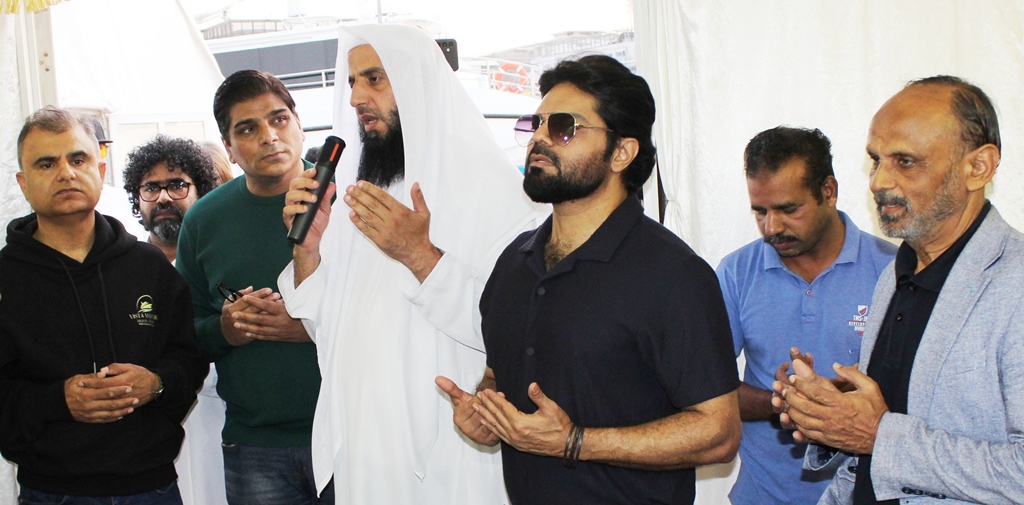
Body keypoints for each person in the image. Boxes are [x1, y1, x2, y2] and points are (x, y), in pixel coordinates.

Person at [441, 55, 741, 505]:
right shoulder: (514, 263)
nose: (539, 138)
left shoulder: (671, 273)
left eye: (564, 127)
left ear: (622, 152)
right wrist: (486, 409)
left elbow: (719, 432)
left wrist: (575, 442)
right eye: (536, 124)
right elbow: (498, 374)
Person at [279, 24, 543, 503]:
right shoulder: (360, 192)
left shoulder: (493, 189)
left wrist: (420, 256)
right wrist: (308, 249)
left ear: (417, 83)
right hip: (365, 447)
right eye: (352, 82)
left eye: (374, 78)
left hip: (452, 451)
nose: (357, 97)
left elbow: (522, 328)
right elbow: (327, 330)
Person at [775, 76, 1024, 504]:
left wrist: (879, 435)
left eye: (905, 162)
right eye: (876, 160)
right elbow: (890, 429)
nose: (877, 181)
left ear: (978, 167)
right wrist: (829, 415)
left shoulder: (1015, 283)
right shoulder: (895, 273)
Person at [0, 106, 207, 502]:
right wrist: (58, 401)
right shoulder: (7, 279)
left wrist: (157, 384)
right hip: (51, 491)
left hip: (152, 487)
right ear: (23, 184)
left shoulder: (149, 266)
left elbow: (190, 359)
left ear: (100, 169)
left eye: (78, 159)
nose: (66, 173)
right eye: (47, 163)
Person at [175, 71, 332, 504]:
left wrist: (309, 326)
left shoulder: (347, 201)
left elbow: (389, 317)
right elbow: (183, 330)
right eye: (247, 129)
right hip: (255, 445)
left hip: (350, 433)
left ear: (299, 124)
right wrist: (226, 328)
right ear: (228, 147)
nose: (269, 136)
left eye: (279, 119)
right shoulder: (204, 220)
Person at [718, 127, 896, 504]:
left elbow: (918, 395)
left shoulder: (893, 271)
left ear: (828, 191)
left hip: (866, 495)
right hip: (761, 496)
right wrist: (783, 401)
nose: (772, 227)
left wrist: (835, 395)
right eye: (760, 211)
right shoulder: (736, 273)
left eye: (788, 209)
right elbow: (708, 391)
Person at [123, 135, 220, 263]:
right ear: (137, 198)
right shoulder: (126, 267)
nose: (163, 198)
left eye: (177, 186)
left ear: (201, 192)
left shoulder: (222, 261)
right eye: (151, 189)